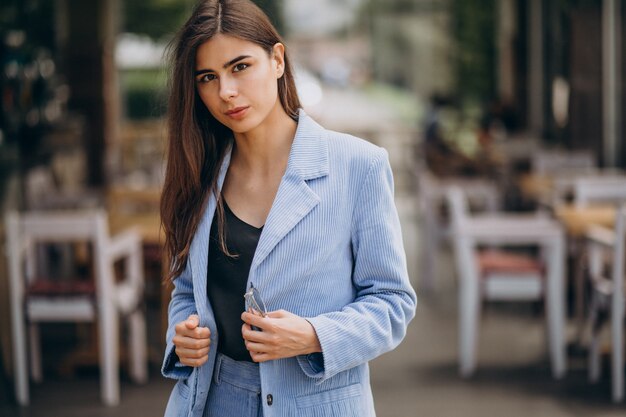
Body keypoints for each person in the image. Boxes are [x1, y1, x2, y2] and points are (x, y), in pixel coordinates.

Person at [159, 1, 417, 416]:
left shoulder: (358, 165)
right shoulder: (199, 174)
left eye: (239, 67)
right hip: (211, 400)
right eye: (208, 77)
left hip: (317, 403)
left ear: (277, 60)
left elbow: (392, 302)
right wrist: (181, 337)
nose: (225, 91)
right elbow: (187, 291)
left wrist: (314, 335)